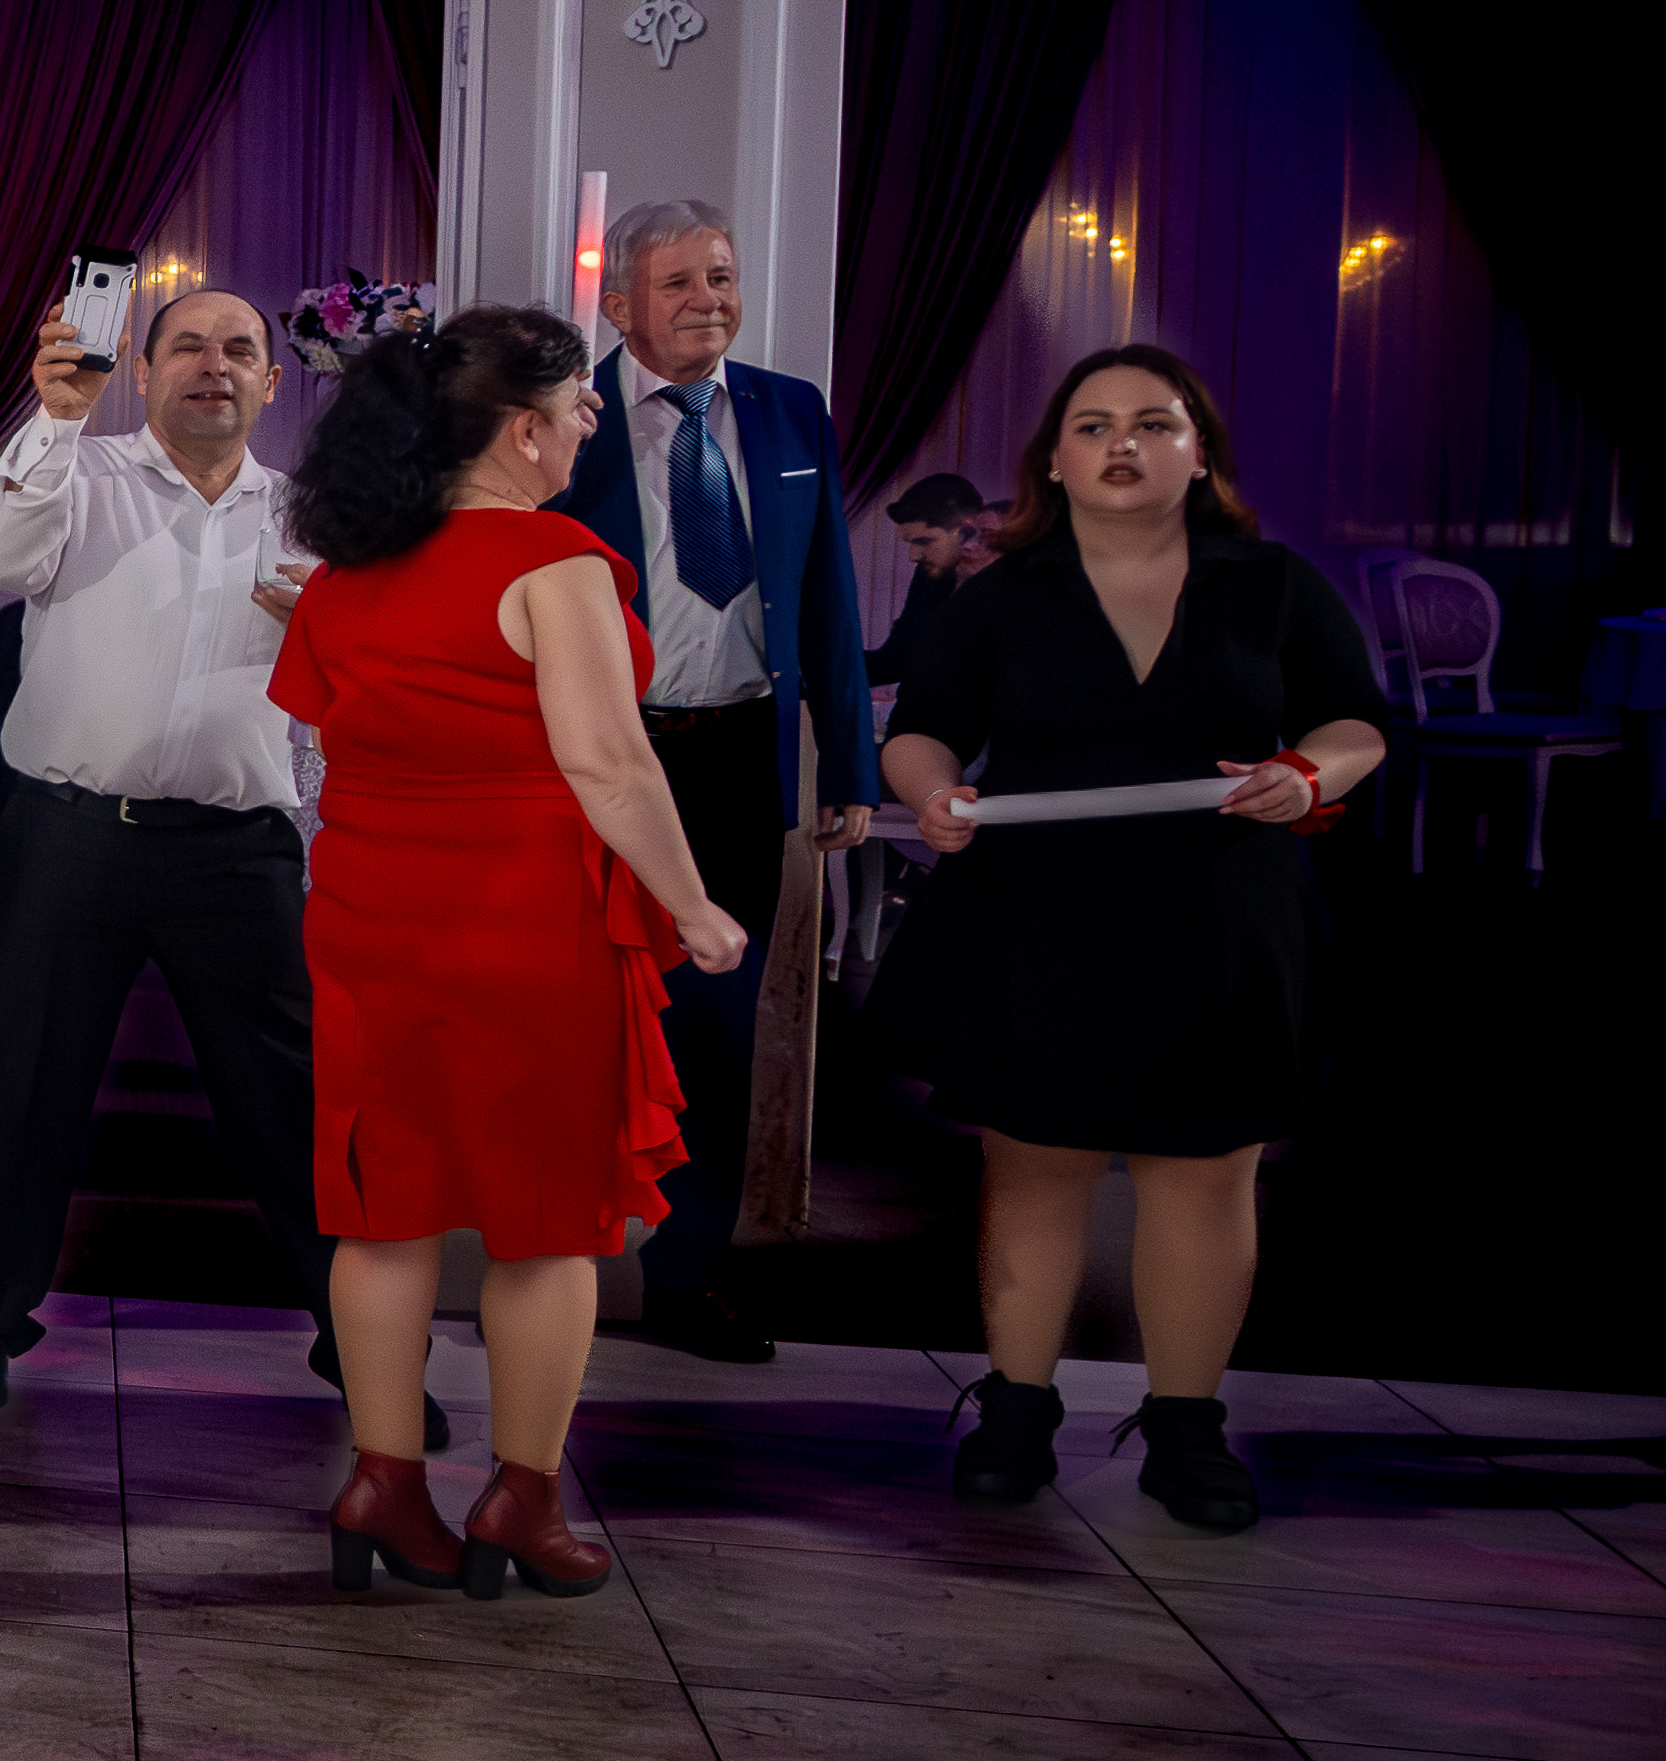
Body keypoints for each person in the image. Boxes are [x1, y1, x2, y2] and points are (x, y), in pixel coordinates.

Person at [269, 304, 745, 1599]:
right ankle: (521, 1500)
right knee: (545, 1227)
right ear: (524, 431)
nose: (591, 424)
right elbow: (609, 762)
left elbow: (317, 738)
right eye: (580, 406)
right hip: (523, 920)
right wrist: (693, 906)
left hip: (368, 914)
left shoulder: (348, 567)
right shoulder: (555, 561)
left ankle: (383, 1481)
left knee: (383, 1216)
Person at [886, 348, 1384, 1533]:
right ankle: (1014, 1409)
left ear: (1197, 452)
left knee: (1203, 1177)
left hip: (1220, 916)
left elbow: (1354, 721)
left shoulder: (1272, 583)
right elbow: (920, 730)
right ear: (1053, 460)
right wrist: (931, 793)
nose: (1123, 444)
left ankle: (1185, 1427)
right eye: (1094, 424)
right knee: (1035, 1166)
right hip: (1037, 912)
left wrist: (1306, 772)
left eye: (1153, 423)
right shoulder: (999, 594)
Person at [0, 290, 330, 1417]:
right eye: (187, 346)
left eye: (238, 350)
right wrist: (55, 418)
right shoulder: (80, 473)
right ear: (142, 372)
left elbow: (355, 682)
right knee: (22, 1084)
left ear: (271, 383)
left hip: (239, 851)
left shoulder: (308, 515)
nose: (214, 365)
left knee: (292, 1098)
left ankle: (362, 1342)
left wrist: (327, 630)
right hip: (70, 836)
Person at [548, 200, 870, 1358]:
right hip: (599, 759)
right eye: (677, 281)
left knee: (719, 1035)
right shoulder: (562, 418)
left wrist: (847, 759)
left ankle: (684, 1278)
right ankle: (547, 1271)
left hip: (738, 759)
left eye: (721, 277)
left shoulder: (788, 410)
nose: (708, 300)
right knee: (572, 1022)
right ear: (619, 305)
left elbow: (827, 591)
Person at [864, 470, 990, 684]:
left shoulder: (1012, 583)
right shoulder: (931, 576)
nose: (913, 556)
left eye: (924, 542)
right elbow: (897, 660)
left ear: (966, 531)